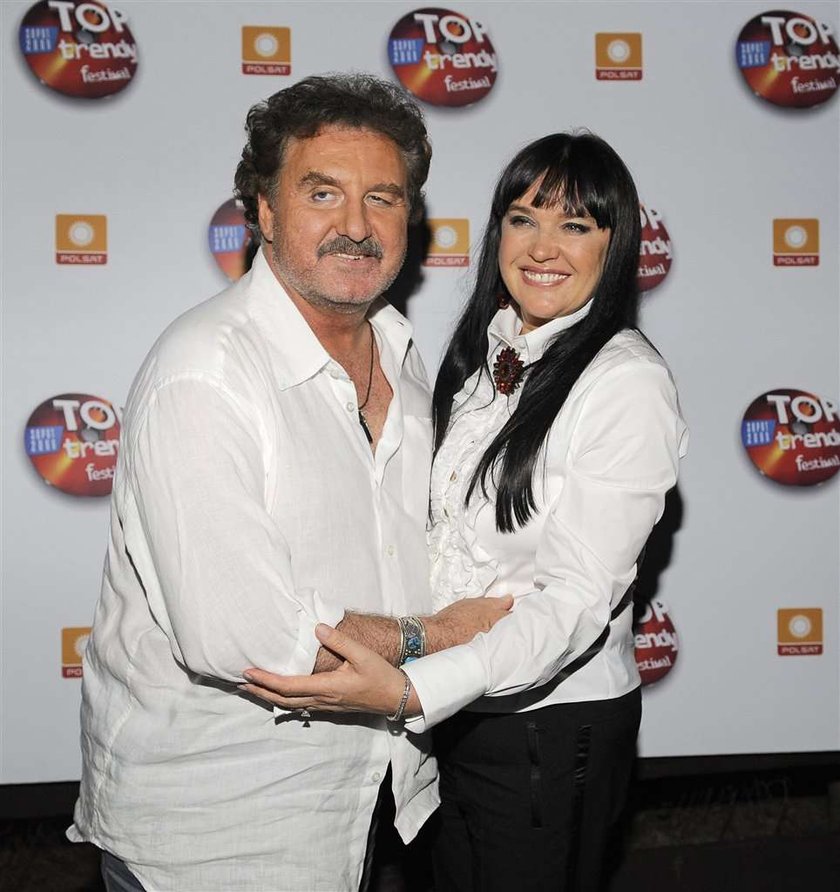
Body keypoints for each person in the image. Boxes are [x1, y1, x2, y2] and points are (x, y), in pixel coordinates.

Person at [68, 73, 511, 892]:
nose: (357, 226)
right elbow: (247, 637)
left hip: (366, 812)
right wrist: (445, 635)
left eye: (382, 198)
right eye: (323, 193)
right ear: (265, 212)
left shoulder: (408, 363)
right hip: (216, 836)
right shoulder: (205, 373)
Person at [242, 131, 689, 891]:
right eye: (523, 219)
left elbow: (575, 601)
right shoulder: (483, 357)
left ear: (614, 247)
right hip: (458, 714)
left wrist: (416, 688)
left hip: (549, 725)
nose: (543, 247)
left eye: (575, 225)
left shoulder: (625, 384)